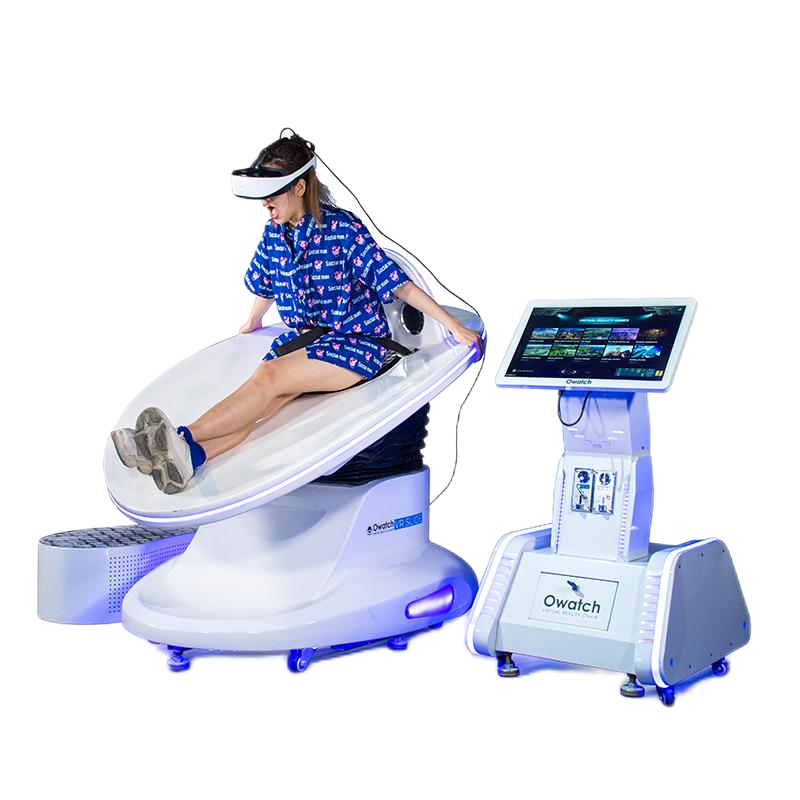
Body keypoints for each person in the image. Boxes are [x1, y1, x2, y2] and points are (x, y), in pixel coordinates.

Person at [111, 134, 481, 494]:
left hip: (357, 344)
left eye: (272, 194)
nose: (265, 204)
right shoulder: (274, 232)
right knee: (263, 405)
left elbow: (397, 284)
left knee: (268, 378)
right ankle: (191, 456)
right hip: (307, 341)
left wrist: (452, 326)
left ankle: (172, 439)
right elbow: (264, 282)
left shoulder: (342, 230)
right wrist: (251, 322)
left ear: (300, 187)